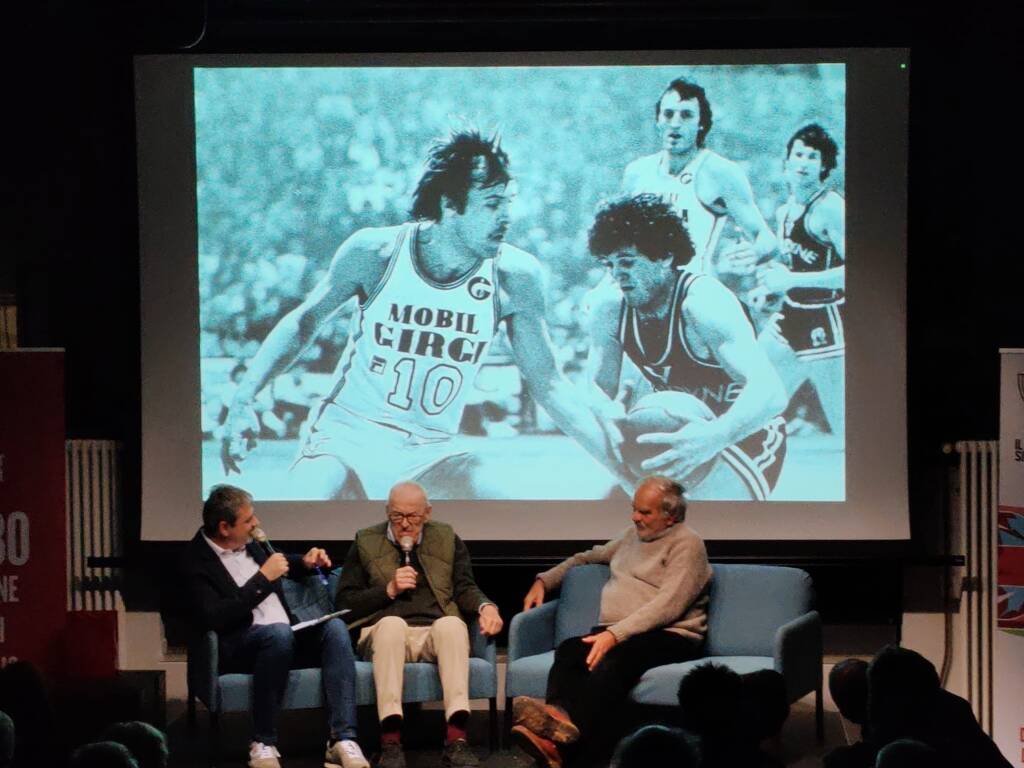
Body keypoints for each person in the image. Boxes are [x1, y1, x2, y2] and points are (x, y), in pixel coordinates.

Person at [220, 129, 628, 500]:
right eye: (492, 204)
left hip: (431, 453)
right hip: (344, 439)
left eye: (508, 203)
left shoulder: (515, 276)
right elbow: (304, 321)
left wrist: (623, 471)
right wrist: (244, 398)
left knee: (512, 512)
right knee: (304, 507)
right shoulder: (377, 252)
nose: (506, 218)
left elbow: (549, 383)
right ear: (450, 204)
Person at [586, 195, 787, 499]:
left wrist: (716, 436)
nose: (617, 274)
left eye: (627, 262)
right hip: (678, 425)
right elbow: (596, 388)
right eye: (609, 264)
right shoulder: (610, 309)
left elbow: (770, 392)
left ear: (664, 256)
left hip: (743, 430)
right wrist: (605, 410)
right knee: (616, 515)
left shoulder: (703, 302)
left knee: (704, 516)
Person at [511, 476, 711, 768]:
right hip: (620, 632)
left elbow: (669, 606)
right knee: (570, 651)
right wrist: (544, 581)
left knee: (612, 664)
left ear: (670, 516)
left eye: (645, 512)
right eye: (634, 509)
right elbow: (584, 558)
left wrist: (615, 635)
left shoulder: (688, 543)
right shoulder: (630, 537)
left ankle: (570, 754)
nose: (635, 517)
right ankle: (556, 719)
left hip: (671, 634)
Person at [182, 484, 368, 768]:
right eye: (248, 520)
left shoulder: (251, 545)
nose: (256, 523)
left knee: (335, 628)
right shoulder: (195, 561)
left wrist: (305, 562)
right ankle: (263, 742)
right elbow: (215, 616)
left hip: (286, 637)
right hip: (241, 645)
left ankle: (342, 738)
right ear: (224, 528)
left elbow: (281, 563)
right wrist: (262, 580)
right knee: (277, 635)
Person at [335, 481, 501, 768]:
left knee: (452, 626)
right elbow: (345, 604)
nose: (405, 524)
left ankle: (457, 740)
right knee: (392, 625)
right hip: (383, 633)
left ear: (427, 513)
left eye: (412, 516)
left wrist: (486, 606)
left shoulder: (446, 538)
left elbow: (465, 587)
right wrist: (388, 589)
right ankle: (390, 743)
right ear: (387, 512)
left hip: (431, 633)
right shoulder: (365, 541)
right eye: (397, 516)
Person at [620, 76, 778, 285]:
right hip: (642, 287)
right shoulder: (637, 172)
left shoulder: (720, 172)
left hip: (690, 287)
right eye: (668, 114)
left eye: (686, 115)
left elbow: (767, 239)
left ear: (701, 124)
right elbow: (620, 242)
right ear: (658, 120)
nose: (675, 124)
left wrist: (754, 252)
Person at [755, 123, 846, 438]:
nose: (804, 162)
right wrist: (768, 289)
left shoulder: (832, 208)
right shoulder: (784, 211)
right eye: (798, 154)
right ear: (787, 161)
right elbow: (789, 269)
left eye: (812, 157)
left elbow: (856, 274)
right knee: (751, 393)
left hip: (826, 319)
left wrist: (791, 280)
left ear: (824, 166)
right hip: (790, 316)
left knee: (845, 424)